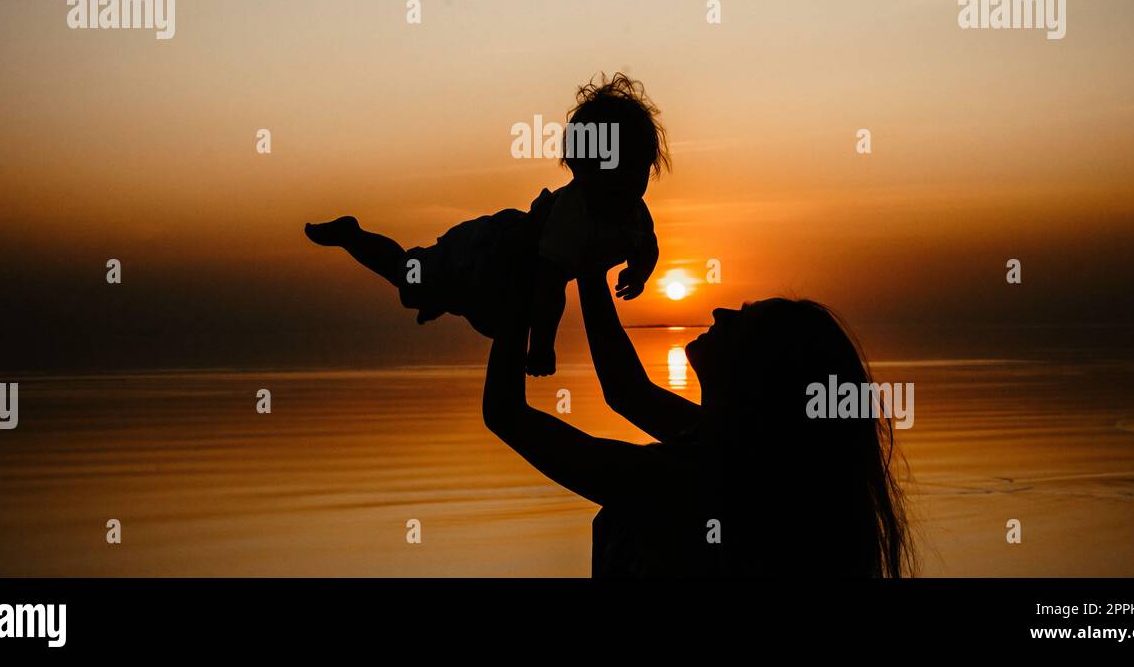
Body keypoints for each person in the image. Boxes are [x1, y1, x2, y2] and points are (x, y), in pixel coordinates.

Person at [482, 269, 915, 577]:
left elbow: (505, 414)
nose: (721, 312)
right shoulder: (734, 447)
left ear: (762, 376)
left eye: (743, 321)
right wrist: (589, 268)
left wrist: (516, 294)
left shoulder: (690, 476)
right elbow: (625, 390)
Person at [305, 73, 668, 375]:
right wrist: (542, 347)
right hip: (486, 252)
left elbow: (647, 245)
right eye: (614, 170)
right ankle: (352, 235)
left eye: (639, 170)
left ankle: (442, 299)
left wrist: (640, 272)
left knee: (485, 310)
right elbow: (549, 287)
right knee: (407, 273)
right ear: (580, 169)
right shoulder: (574, 213)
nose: (629, 185)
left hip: (505, 283)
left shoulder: (635, 212)